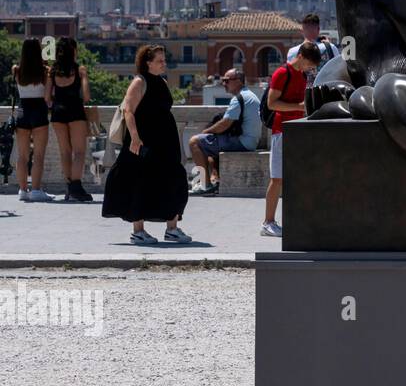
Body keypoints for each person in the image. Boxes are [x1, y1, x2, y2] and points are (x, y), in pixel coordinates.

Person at [101, 44, 193, 244]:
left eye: (164, 60)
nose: (164, 64)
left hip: (164, 142)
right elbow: (128, 111)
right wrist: (134, 137)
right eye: (159, 61)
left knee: (174, 179)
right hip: (144, 142)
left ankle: (172, 227)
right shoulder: (139, 82)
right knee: (139, 182)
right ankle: (138, 231)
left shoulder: (161, 81)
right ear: (148, 63)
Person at [261, 40, 321, 237]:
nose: (310, 69)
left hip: (295, 130)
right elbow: (272, 103)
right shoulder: (282, 73)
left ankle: (293, 219)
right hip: (281, 130)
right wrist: (299, 107)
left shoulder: (301, 75)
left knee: (292, 178)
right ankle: (267, 222)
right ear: (301, 57)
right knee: (277, 178)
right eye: (309, 65)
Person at [187, 68, 261, 195]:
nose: (223, 83)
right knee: (206, 147)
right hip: (250, 141)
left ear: (238, 81)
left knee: (194, 142)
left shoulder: (239, 98)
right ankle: (210, 180)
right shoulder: (250, 95)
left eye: (226, 81)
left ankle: (205, 185)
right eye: (223, 80)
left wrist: (206, 131)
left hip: (241, 142)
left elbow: (225, 124)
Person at [48, 37, 94, 203]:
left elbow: (47, 97)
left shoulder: (52, 71)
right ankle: (76, 188)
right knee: (79, 152)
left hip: (58, 113)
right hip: (75, 111)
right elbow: (87, 96)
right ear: (73, 51)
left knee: (65, 151)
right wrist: (84, 76)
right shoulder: (79, 69)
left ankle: (70, 188)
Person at [10, 37, 53, 202]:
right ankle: (36, 190)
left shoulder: (16, 70)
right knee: (39, 155)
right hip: (39, 111)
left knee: (22, 156)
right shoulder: (46, 71)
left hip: (23, 111)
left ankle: (22, 190)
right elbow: (48, 98)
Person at [285, 13, 338, 87]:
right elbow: (339, 70)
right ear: (318, 29)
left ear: (302, 30)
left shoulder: (293, 52)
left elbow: (290, 75)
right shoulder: (331, 48)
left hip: (303, 95)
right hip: (328, 93)